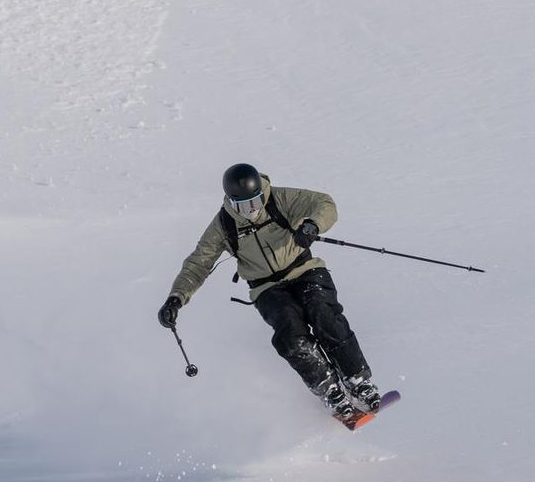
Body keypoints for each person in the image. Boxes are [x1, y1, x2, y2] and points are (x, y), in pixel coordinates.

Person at [158, 163, 379, 413]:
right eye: (243, 206)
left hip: (304, 269)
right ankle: (328, 388)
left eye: (255, 202)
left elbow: (324, 204)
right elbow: (198, 263)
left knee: (324, 314)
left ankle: (358, 380)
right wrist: (176, 297)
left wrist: (311, 226)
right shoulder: (223, 225)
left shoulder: (279, 198)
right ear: (231, 202)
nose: (251, 211)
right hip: (266, 288)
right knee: (291, 335)